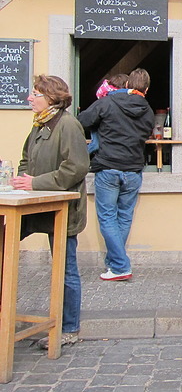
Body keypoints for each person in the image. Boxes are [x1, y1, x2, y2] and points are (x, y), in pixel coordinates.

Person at [12, 75, 90, 348]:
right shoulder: (39, 124)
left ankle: (69, 329)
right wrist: (23, 181)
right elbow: (26, 159)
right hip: (37, 205)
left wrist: (36, 183)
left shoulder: (68, 125)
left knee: (66, 269)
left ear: (51, 98)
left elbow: (76, 167)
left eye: (35, 93)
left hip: (62, 209)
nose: (30, 98)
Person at [77, 68, 154, 282]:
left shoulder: (108, 103)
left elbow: (81, 121)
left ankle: (120, 266)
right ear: (146, 89)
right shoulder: (147, 110)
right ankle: (114, 264)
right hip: (133, 170)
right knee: (124, 217)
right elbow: (146, 133)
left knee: (108, 217)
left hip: (109, 167)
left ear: (127, 85)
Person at [86, 73, 128, 155]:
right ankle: (81, 156)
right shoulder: (119, 98)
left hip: (99, 124)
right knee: (95, 144)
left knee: (96, 144)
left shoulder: (105, 92)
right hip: (99, 124)